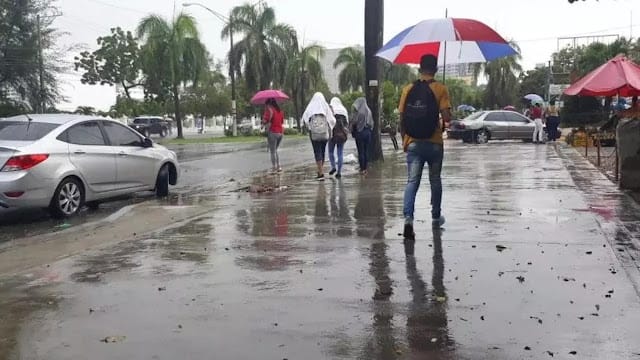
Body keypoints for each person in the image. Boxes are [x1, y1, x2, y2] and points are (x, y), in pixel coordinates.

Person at [398, 54, 451, 239]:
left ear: (420, 69)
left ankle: (408, 219)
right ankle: (436, 217)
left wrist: (405, 140)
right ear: (435, 69)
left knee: (412, 182)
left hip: (413, 143)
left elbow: (402, 118)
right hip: (434, 143)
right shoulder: (440, 88)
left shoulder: (408, 88)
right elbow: (447, 118)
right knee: (435, 180)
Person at [302, 92, 336, 180]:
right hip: (324, 133)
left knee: (317, 151)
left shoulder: (311, 106)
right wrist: (329, 127)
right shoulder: (325, 107)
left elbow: (304, 119)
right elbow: (332, 120)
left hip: (314, 134)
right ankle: (320, 170)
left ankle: (320, 172)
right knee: (322, 151)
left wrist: (309, 127)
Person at [350, 98, 374, 175]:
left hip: (360, 133)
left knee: (361, 151)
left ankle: (362, 168)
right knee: (366, 151)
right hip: (368, 132)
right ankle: (365, 168)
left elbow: (354, 122)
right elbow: (372, 123)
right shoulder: (369, 111)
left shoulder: (359, 113)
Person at [328, 97, 349, 179]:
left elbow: (328, 121)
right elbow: (347, 123)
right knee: (340, 153)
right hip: (342, 135)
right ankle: (339, 172)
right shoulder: (343, 110)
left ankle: (333, 166)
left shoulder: (330, 109)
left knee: (330, 152)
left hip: (332, 135)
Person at [262, 98, 285, 173]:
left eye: (266, 105)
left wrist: (263, 122)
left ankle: (274, 167)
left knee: (272, 151)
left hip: (273, 132)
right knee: (275, 150)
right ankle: (279, 166)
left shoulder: (269, 110)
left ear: (268, 104)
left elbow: (266, 120)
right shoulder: (280, 111)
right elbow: (282, 122)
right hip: (280, 133)